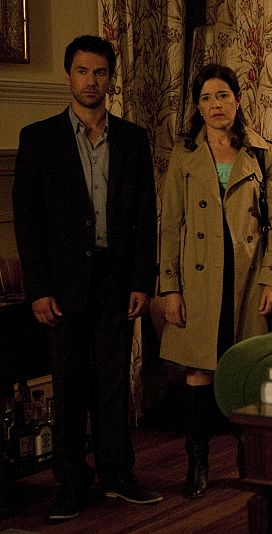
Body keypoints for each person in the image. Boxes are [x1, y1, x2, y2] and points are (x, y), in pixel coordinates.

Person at [12, 35, 161, 520]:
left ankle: (118, 474)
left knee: (114, 383)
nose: (91, 81)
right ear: (68, 76)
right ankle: (72, 482)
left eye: (99, 72)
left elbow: (145, 216)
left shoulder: (133, 139)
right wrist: (38, 289)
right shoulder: (39, 139)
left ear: (110, 78)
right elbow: (27, 222)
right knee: (70, 382)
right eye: (82, 71)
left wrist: (142, 280)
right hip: (61, 285)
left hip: (117, 280)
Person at [158, 64, 272, 499]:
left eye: (222, 96)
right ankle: (197, 462)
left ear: (237, 100)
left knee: (246, 367)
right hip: (199, 278)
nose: (215, 105)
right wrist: (170, 287)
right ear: (197, 107)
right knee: (198, 368)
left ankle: (248, 459)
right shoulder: (185, 154)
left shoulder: (261, 153)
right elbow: (170, 224)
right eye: (206, 98)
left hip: (248, 277)